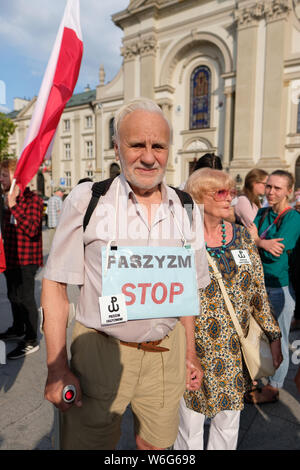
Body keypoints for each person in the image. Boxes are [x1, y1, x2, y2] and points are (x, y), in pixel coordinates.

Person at [41, 98, 211, 450]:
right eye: (137, 145)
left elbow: (189, 291)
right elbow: (55, 284)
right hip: (101, 353)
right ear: (117, 147)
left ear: (169, 150)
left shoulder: (188, 208)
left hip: (167, 352)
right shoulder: (89, 201)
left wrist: (190, 353)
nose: (149, 157)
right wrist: (56, 366)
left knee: (157, 447)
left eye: (158, 146)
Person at [173, 168, 282, 450]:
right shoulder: (180, 240)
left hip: (233, 350)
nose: (230, 198)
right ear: (198, 197)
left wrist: (274, 336)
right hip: (191, 349)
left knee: (228, 422)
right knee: (189, 427)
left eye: (232, 192)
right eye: (221, 192)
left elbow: (257, 292)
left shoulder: (244, 238)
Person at [246, 170, 300, 403]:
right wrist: (259, 244)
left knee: (279, 336)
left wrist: (257, 240)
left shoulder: (293, 218)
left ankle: (275, 387)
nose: (271, 192)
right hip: (257, 285)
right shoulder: (263, 212)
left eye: (277, 188)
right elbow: (246, 244)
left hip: (280, 288)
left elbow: (275, 254)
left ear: (289, 191)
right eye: (268, 186)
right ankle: (257, 376)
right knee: (257, 336)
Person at [0, 158, 43, 359]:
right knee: (13, 296)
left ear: (15, 177)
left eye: (4, 174)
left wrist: (14, 205)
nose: (1, 178)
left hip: (27, 259)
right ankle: (18, 328)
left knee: (26, 299)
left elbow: (33, 229)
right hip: (10, 257)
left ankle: (32, 338)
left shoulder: (32, 199)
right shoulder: (4, 198)